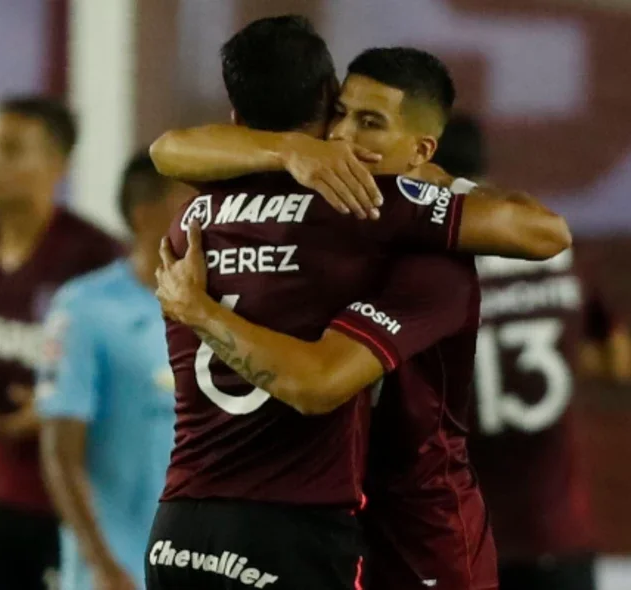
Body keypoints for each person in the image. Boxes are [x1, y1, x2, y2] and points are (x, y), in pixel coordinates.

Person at [143, 18, 569, 590]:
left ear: (421, 150)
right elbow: (167, 149)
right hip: (325, 519)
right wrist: (293, 150)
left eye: (369, 122)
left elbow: (546, 232)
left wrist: (198, 311)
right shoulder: (348, 209)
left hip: (422, 533)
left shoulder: (420, 248)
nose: (344, 137)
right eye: (340, 114)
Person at [437, 113, 631, 590]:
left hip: (465, 543)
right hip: (559, 536)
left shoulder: (430, 271)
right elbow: (616, 361)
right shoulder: (555, 248)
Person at [0, 96, 125, 590]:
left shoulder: (95, 259)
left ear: (58, 165)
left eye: (11, 149)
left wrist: (52, 407)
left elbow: (137, 370)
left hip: (74, 498)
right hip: (0, 490)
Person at [38, 154, 191, 590]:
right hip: (116, 568)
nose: (208, 216)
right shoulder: (85, 308)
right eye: (191, 204)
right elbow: (61, 453)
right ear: (145, 215)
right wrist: (101, 564)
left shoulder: (226, 312)